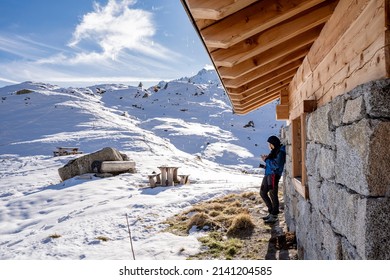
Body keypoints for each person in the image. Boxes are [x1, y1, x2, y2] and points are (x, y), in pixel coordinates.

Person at [259, 135, 286, 224]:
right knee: (262, 193)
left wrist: (266, 160)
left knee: (273, 194)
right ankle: (271, 212)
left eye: (269, 144)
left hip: (274, 176)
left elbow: (276, 165)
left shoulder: (280, 152)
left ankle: (274, 215)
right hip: (268, 175)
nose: (269, 146)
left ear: (273, 144)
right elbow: (272, 164)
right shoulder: (274, 152)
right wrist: (265, 163)